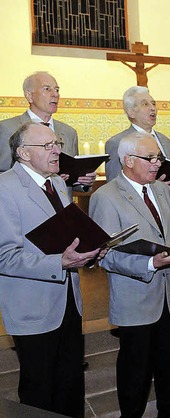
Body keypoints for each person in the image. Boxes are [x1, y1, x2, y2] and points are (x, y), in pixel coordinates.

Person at [90, 132, 170, 417]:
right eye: (149, 158)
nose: (157, 164)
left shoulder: (162, 190)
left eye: (158, 158)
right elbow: (107, 256)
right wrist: (150, 265)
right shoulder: (106, 197)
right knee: (135, 370)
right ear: (127, 161)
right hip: (135, 298)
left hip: (169, 294)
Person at [0, 122, 101, 417]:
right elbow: (4, 256)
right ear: (23, 153)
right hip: (32, 305)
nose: (57, 150)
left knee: (70, 384)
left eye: (56, 143)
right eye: (48, 146)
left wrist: (92, 248)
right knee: (39, 391)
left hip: (69, 300)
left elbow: (64, 236)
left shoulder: (56, 183)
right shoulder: (5, 188)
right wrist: (58, 262)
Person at [0, 72, 96, 191]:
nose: (55, 94)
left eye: (56, 90)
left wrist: (82, 182)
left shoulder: (69, 132)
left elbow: (74, 181)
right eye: (47, 89)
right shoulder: (6, 129)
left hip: (62, 207)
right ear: (29, 96)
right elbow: (3, 175)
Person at [105, 86, 170, 213]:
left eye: (153, 103)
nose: (153, 108)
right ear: (131, 112)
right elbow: (115, 187)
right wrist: (154, 186)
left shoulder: (165, 141)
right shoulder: (117, 142)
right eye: (145, 104)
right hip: (138, 214)